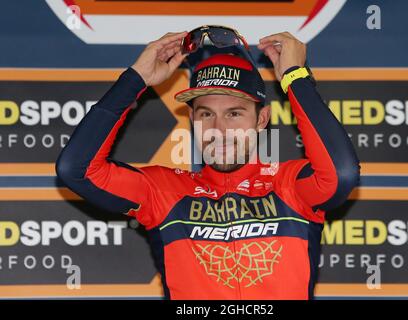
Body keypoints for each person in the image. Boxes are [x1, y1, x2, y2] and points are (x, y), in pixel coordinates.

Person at [55, 30, 360, 300]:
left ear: (262, 120)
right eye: (205, 114)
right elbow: (76, 169)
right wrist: (136, 79)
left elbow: (341, 174)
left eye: (234, 114)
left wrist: (295, 77)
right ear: (193, 121)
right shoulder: (163, 191)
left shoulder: (289, 184)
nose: (219, 128)